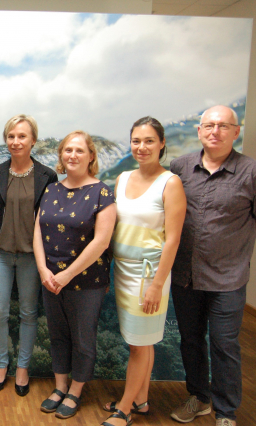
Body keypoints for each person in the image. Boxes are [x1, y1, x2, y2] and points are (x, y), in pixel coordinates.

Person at [169, 105, 255, 426]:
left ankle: (226, 412)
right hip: (185, 276)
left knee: (224, 346)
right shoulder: (180, 167)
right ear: (199, 130)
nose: (215, 131)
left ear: (236, 131)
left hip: (227, 279)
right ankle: (199, 398)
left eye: (223, 125)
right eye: (209, 125)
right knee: (190, 340)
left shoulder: (250, 172)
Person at [100, 117, 186, 426]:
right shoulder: (122, 178)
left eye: (149, 140)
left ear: (161, 143)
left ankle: (124, 408)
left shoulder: (170, 183)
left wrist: (156, 284)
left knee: (139, 344)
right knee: (140, 341)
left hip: (150, 275)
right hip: (123, 270)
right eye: (136, 140)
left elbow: (173, 239)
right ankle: (142, 399)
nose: (141, 146)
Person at [34, 130, 116, 419]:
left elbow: (101, 242)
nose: (73, 155)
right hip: (50, 279)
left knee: (83, 338)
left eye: (79, 150)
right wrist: (44, 270)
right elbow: (38, 231)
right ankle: (59, 387)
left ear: (91, 156)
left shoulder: (102, 192)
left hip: (86, 282)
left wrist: (66, 275)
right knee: (57, 335)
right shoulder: (52, 189)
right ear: (61, 155)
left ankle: (75, 391)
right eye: (68, 150)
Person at [0, 115, 57, 396]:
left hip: (31, 257)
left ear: (33, 140)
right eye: (11, 136)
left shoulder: (47, 175)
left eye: (22, 136)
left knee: (28, 312)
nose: (16, 141)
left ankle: (22, 368)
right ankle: (2, 364)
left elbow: (50, 219)